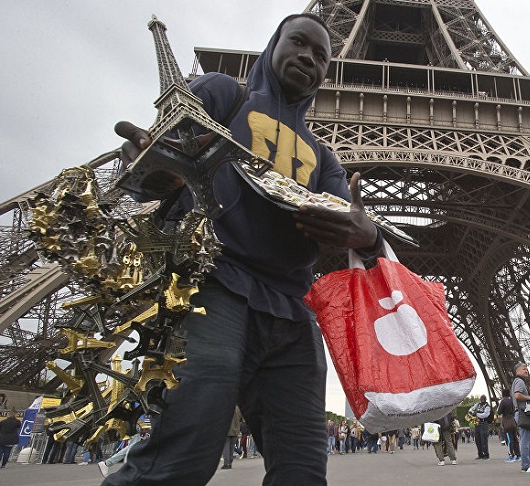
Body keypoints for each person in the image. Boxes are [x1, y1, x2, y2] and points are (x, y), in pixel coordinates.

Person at [104, 13, 381, 486]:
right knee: (184, 453)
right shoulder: (221, 93)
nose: (308, 58)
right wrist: (150, 165)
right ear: (274, 44)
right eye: (299, 43)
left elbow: (349, 219)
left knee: (303, 470)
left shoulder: (323, 157)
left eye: (320, 56)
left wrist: (367, 234)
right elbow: (152, 163)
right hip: (215, 285)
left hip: (292, 313)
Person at [511, 362, 530, 474]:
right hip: (522, 413)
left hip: (520, 413)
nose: (526, 371)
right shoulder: (519, 381)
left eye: (527, 369)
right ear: (517, 371)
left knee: (529, 440)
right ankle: (526, 465)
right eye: (524, 369)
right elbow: (517, 395)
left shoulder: (517, 381)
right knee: (526, 440)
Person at [497, 388, 520, 462]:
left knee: (509, 440)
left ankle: (511, 455)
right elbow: (514, 410)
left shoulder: (503, 401)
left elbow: (499, 412)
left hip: (506, 422)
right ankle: (518, 455)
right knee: (515, 439)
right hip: (512, 421)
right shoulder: (511, 400)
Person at [468, 395, 491, 460]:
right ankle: (480, 454)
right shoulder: (477, 404)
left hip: (484, 423)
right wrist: (471, 412)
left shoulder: (487, 406)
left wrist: (476, 414)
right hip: (477, 423)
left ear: (485, 399)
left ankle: (486, 455)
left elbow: (485, 415)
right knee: (477, 440)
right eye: (481, 398)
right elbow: (471, 409)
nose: (482, 399)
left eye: (483, 398)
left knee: (483, 440)